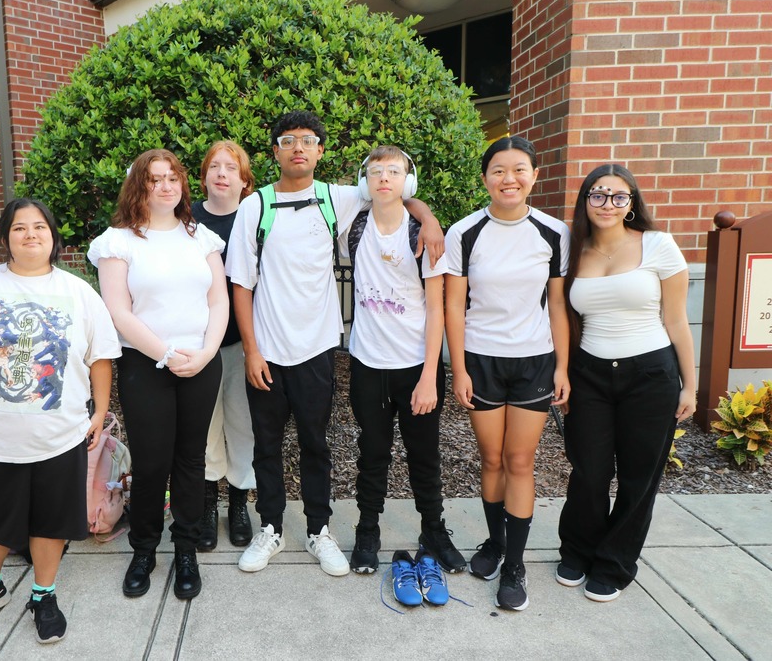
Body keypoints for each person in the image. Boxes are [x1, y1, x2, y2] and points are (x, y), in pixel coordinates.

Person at [226, 110, 444, 577]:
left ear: (321, 151)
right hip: (266, 350)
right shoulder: (255, 206)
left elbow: (396, 190)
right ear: (275, 151)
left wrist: (427, 219)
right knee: (267, 446)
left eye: (308, 140)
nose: (298, 148)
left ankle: (318, 531)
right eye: (288, 140)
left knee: (315, 445)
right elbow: (241, 284)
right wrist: (251, 350)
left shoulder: (338, 198)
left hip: (318, 349)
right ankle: (271, 529)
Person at [0, 197, 121, 644]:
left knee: (52, 520)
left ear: (53, 238)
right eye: (19, 228)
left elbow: (101, 357)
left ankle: (43, 593)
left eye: (39, 227)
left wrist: (100, 409)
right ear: (5, 239)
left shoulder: (77, 292)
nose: (30, 234)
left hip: (60, 436)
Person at [88, 148, 227, 601]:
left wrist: (205, 353)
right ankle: (143, 551)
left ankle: (184, 550)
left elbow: (218, 302)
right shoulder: (119, 240)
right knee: (151, 466)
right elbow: (117, 310)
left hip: (201, 364)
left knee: (191, 460)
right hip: (146, 366)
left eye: (173, 178)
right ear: (139, 186)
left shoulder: (201, 237)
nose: (166, 186)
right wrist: (167, 354)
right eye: (155, 179)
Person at [556, 164, 695, 602]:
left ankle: (615, 562)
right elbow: (561, 313)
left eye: (619, 196)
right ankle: (578, 549)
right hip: (590, 373)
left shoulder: (658, 245)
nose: (608, 204)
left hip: (650, 374)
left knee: (639, 477)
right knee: (590, 472)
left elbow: (676, 319)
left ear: (631, 203)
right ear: (585, 201)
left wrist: (690, 386)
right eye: (598, 194)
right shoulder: (572, 248)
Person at [444, 136, 570, 611]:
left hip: (534, 360)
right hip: (481, 359)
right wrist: (458, 369)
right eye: (498, 170)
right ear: (485, 179)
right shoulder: (465, 232)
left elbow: (557, 304)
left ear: (534, 176)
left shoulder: (554, 232)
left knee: (520, 462)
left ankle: (514, 562)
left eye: (519, 169)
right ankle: (494, 543)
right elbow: (454, 306)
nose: (509, 178)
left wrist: (563, 366)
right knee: (491, 460)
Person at [344, 145, 461, 606]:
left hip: (416, 367)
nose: (384, 178)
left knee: (424, 458)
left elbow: (436, 308)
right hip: (368, 365)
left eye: (394, 171)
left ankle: (433, 531)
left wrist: (431, 374)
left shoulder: (423, 235)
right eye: (376, 172)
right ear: (364, 181)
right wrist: (424, 208)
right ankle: (367, 532)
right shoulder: (353, 225)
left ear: (408, 181)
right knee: (371, 454)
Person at [191, 140, 257, 551]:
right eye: (214, 167)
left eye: (230, 168)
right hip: (198, 344)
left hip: (243, 342)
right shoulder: (188, 219)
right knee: (204, 426)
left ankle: (238, 503)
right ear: (203, 178)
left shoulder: (254, 216)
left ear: (244, 180)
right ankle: (206, 506)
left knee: (243, 423)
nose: (221, 173)